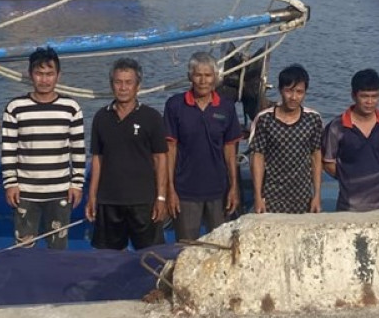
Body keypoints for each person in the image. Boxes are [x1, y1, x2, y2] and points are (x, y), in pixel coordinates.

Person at [1, 47, 85, 249]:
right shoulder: (15, 108)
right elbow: (9, 150)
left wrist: (77, 184)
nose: (44, 80)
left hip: (60, 192)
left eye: (49, 74)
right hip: (25, 193)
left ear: (58, 75)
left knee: (57, 250)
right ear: (30, 74)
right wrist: (10, 183)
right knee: (24, 249)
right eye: (39, 74)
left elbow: (78, 150)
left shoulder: (71, 108)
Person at [86, 58, 168, 250]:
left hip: (144, 202)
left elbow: (160, 159)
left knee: (151, 256)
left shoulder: (152, 117)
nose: (123, 88)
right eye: (118, 82)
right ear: (111, 85)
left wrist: (161, 198)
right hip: (109, 201)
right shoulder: (101, 117)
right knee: (108, 258)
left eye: (128, 82)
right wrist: (92, 196)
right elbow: (97, 159)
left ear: (138, 86)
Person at [164, 52, 242, 241]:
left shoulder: (226, 107)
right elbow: (170, 149)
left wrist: (234, 187)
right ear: (190, 76)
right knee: (186, 247)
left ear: (215, 77)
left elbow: (230, 149)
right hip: (185, 191)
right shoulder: (175, 105)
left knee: (220, 246)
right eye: (198, 75)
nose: (203, 81)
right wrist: (170, 189)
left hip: (219, 191)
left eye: (208, 75)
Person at [248, 64, 323, 214]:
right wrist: (257, 196)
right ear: (280, 90)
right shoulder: (265, 119)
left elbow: (316, 156)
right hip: (271, 195)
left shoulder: (313, 119)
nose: (294, 97)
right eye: (289, 91)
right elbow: (257, 157)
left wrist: (317, 195)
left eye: (299, 92)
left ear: (305, 92)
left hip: (302, 196)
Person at [322, 69, 379, 212]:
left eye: (374, 96)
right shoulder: (337, 127)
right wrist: (349, 177)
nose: (370, 102)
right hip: (349, 207)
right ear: (353, 95)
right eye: (364, 96)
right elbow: (328, 163)